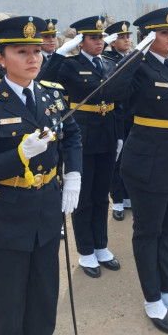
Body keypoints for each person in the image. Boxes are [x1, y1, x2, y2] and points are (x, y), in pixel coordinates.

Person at [0, 15, 82, 335]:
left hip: (45, 212)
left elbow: (72, 135)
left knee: (44, 304)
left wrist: (73, 175)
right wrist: (20, 153)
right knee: (10, 310)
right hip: (6, 219)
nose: (33, 58)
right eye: (21, 51)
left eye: (37, 51)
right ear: (1, 58)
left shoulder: (53, 95)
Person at [107, 7, 168, 334]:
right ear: (149, 37)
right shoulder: (139, 67)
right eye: (164, 32)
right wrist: (136, 52)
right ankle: (153, 299)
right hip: (148, 162)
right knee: (148, 232)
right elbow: (110, 91)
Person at [56, 16, 122, 278]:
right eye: (93, 38)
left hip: (106, 136)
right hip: (81, 138)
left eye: (101, 37)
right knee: (83, 197)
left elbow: (116, 101)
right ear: (80, 41)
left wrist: (118, 135)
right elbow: (45, 77)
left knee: (100, 193)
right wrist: (62, 52)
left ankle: (100, 245)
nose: (99, 42)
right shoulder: (70, 65)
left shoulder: (108, 63)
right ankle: (85, 251)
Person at [104, 20, 133, 221]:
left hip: (134, 117)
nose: (126, 40)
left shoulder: (134, 58)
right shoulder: (107, 60)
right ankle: (118, 201)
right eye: (121, 37)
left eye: (128, 36)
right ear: (112, 42)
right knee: (117, 162)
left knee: (132, 160)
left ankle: (129, 196)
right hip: (116, 118)